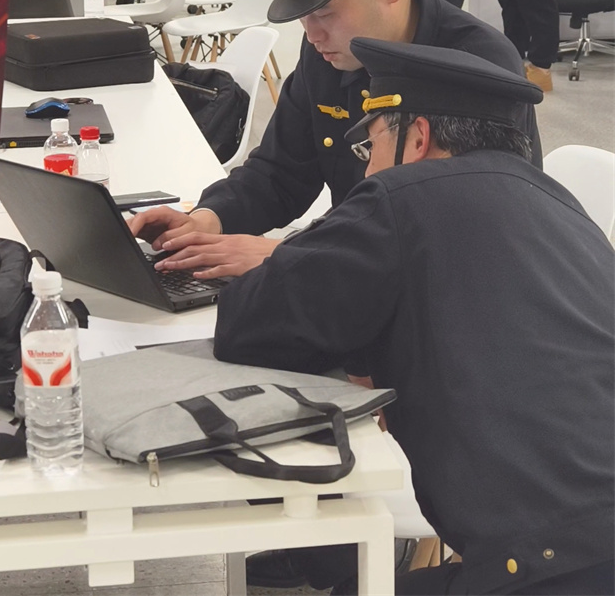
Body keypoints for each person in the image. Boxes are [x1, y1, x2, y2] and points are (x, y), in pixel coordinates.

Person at [214, 41, 615, 596]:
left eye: (370, 145)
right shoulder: (563, 205)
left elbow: (246, 324)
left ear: (418, 137)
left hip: (551, 567)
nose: (367, 167)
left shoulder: (399, 196)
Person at [128, 0, 542, 278]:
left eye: (324, 14)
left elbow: (467, 234)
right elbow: (279, 172)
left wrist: (291, 254)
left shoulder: (478, 64)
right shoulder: (329, 52)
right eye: (303, 18)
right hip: (347, 269)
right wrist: (206, 220)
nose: (312, 36)